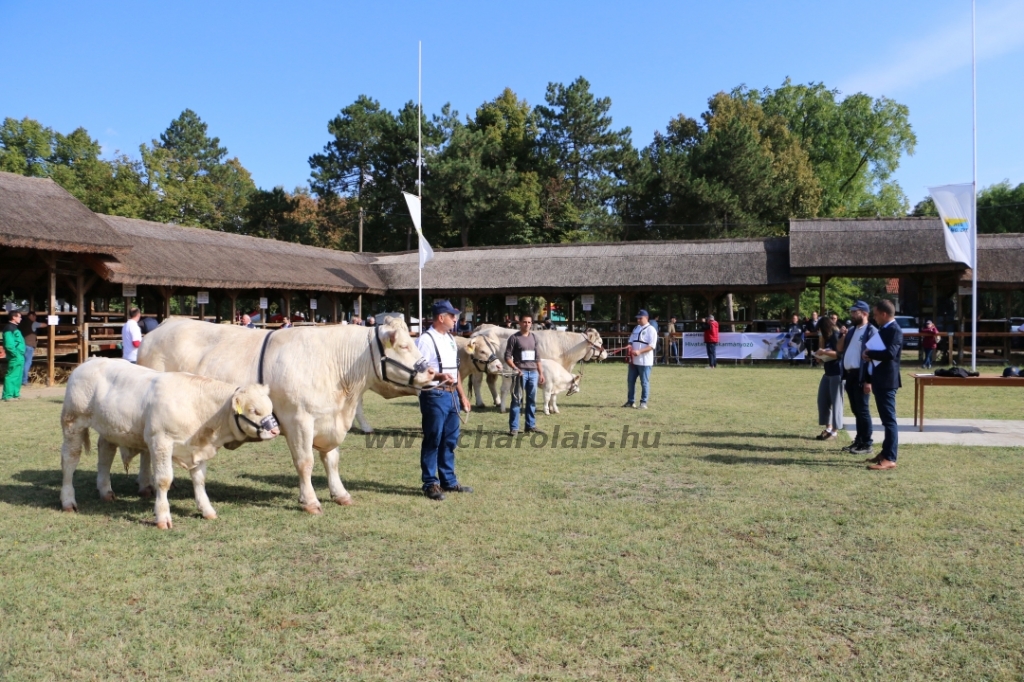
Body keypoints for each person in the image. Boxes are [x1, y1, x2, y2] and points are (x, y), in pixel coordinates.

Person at [415, 300, 472, 500]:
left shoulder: (449, 339)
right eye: (452, 315)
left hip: (452, 395)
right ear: (441, 317)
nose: (456, 319)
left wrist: (463, 396)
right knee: (433, 439)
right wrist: (438, 376)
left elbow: (455, 370)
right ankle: (430, 483)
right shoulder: (425, 340)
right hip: (434, 395)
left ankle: (448, 481)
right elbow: (418, 370)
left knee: (449, 440)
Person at [862, 299, 903, 471]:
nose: (875, 318)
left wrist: (870, 353)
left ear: (885, 314)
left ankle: (890, 458)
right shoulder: (884, 329)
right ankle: (885, 453)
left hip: (887, 381)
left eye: (877, 315)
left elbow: (891, 354)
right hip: (880, 379)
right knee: (886, 420)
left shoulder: (894, 330)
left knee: (889, 420)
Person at [839, 301, 875, 457]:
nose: (852, 314)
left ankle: (867, 443)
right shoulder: (852, 330)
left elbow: (875, 359)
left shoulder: (871, 331)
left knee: (863, 410)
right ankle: (859, 440)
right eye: (852, 312)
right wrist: (843, 335)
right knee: (856, 410)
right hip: (850, 375)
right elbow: (840, 349)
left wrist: (869, 380)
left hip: (862, 375)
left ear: (864, 313)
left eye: (855, 312)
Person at [505, 312, 546, 434]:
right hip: (520, 373)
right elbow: (507, 356)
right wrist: (515, 368)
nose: (527, 324)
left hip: (533, 373)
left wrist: (541, 373)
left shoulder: (534, 338)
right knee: (517, 400)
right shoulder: (514, 338)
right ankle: (514, 428)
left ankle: (530, 425)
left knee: (531, 400)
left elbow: (537, 357)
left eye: (529, 322)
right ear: (519, 323)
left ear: (531, 323)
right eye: (524, 322)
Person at [812, 316, 843, 440]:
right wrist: (819, 356)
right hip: (828, 373)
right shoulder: (826, 338)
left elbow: (839, 354)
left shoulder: (836, 335)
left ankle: (834, 431)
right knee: (823, 400)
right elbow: (825, 352)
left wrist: (823, 352)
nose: (819, 332)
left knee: (836, 403)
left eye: (820, 329)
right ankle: (828, 428)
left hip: (837, 373)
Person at [623, 309, 657, 408]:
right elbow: (631, 341)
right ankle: (630, 401)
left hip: (645, 362)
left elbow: (651, 346)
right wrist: (629, 346)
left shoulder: (651, 330)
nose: (638, 320)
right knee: (630, 381)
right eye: (637, 318)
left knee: (644, 382)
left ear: (646, 318)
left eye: (640, 318)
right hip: (634, 361)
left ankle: (643, 402)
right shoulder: (636, 328)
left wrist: (639, 351)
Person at [17, 310, 46, 386]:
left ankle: (19, 379)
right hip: (29, 345)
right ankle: (24, 380)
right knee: (27, 363)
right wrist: (50, 321)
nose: (35, 317)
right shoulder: (33, 324)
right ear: (30, 316)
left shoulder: (21, 323)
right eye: (34, 316)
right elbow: (43, 325)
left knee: (22, 362)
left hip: (21, 345)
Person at [3, 310, 25, 401]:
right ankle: (7, 395)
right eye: (19, 317)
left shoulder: (14, 328)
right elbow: (9, 345)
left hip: (19, 356)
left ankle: (16, 394)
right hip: (15, 356)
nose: (21, 319)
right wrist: (16, 354)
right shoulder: (9, 328)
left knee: (18, 376)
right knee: (12, 375)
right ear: (14, 317)